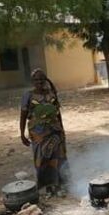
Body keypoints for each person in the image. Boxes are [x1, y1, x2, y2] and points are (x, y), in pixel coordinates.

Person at [19, 68, 68, 196]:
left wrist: (62, 129)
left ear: (45, 79)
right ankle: (47, 187)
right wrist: (22, 134)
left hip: (54, 130)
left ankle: (59, 185)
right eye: (36, 79)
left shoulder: (51, 94)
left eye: (41, 79)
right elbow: (23, 115)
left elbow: (58, 113)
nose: (39, 81)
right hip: (38, 133)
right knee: (41, 159)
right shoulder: (28, 95)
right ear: (32, 81)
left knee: (58, 157)